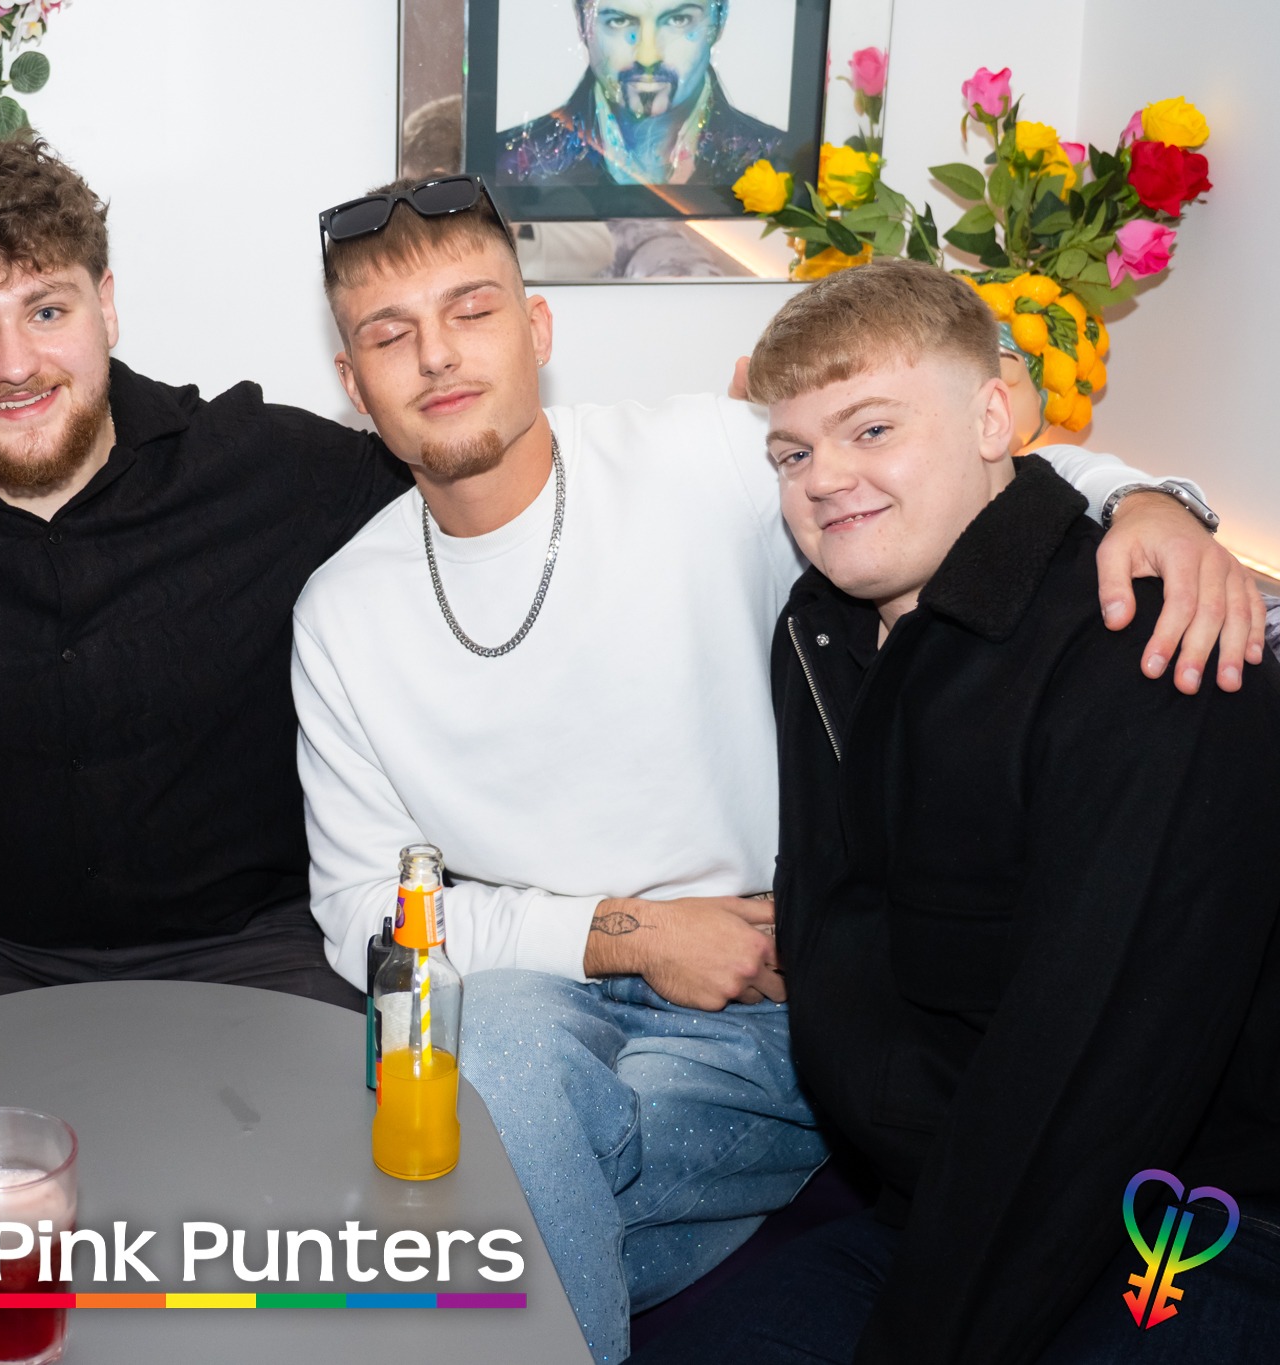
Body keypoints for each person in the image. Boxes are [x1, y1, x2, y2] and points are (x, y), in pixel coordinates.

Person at [0, 138, 1262, 1025]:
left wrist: (1143, 494)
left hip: (261, 948)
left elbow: (854, 457)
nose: (11, 358)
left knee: (327, 1248)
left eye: (44, 307)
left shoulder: (289, 468)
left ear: (107, 306)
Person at [293, 177, 1264, 1363]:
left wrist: (1151, 505)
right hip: (542, 1001)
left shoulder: (705, 460)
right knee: (484, 1054)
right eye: (389, 334)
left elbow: (941, 465)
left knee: (468, 1214)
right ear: (352, 384)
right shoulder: (341, 611)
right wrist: (629, 935)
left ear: (536, 330)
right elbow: (359, 913)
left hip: (770, 1011)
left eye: (471, 310)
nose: (437, 356)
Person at [633, 257, 1280, 1365]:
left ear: (992, 419)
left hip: (1184, 1228)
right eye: (792, 453)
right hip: (934, 1203)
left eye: (872, 429)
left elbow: (1088, 1080)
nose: (824, 478)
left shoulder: (1148, 650)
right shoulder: (821, 633)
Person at [498, 0, 784, 187]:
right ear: (582, 23)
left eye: (679, 20)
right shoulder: (510, 164)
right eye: (619, 21)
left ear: (718, 22)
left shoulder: (778, 163)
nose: (648, 56)